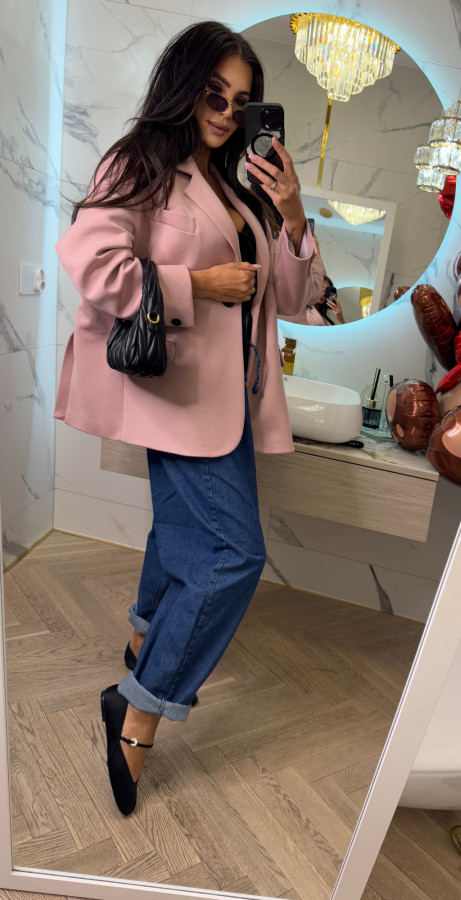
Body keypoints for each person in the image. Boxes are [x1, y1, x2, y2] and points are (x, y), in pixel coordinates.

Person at [54, 20, 322, 816]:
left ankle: (145, 640)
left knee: (183, 539)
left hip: (229, 401)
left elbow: (295, 297)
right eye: (214, 94)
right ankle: (138, 708)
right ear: (185, 86)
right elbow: (93, 262)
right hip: (175, 395)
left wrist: (293, 215)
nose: (226, 112)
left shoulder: (241, 189)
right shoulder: (141, 161)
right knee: (234, 555)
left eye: (240, 101)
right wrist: (197, 285)